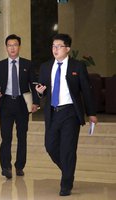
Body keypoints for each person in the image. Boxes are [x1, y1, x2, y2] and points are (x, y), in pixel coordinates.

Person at [35, 33, 98, 196]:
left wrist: (91, 113)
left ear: (67, 49)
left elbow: (86, 91)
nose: (55, 49)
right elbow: (42, 92)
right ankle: (68, 170)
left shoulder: (77, 67)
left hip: (70, 112)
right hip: (52, 113)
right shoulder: (45, 67)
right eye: (53, 46)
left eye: (59, 46)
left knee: (68, 149)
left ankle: (66, 184)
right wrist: (40, 93)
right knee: (50, 146)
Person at [0, 34, 40, 179]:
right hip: (6, 103)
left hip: (22, 103)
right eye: (9, 45)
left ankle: (19, 166)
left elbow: (34, 84)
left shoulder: (27, 64)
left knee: (21, 137)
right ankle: (6, 167)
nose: (12, 48)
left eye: (15, 45)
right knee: (6, 137)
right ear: (6, 47)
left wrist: (36, 102)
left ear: (19, 47)